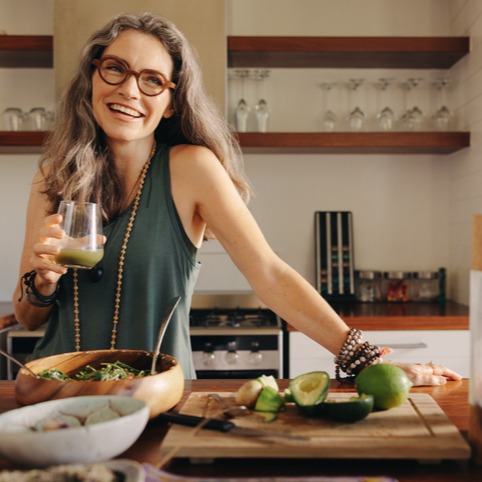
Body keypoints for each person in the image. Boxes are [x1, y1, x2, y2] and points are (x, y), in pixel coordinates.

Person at [13, 12, 460, 386]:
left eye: (152, 80)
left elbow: (270, 275)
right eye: (116, 68)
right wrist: (42, 282)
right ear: (93, 75)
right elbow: (28, 316)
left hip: (156, 397)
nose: (130, 90)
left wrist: (365, 358)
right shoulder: (53, 176)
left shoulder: (191, 168)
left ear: (170, 102)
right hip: (54, 395)